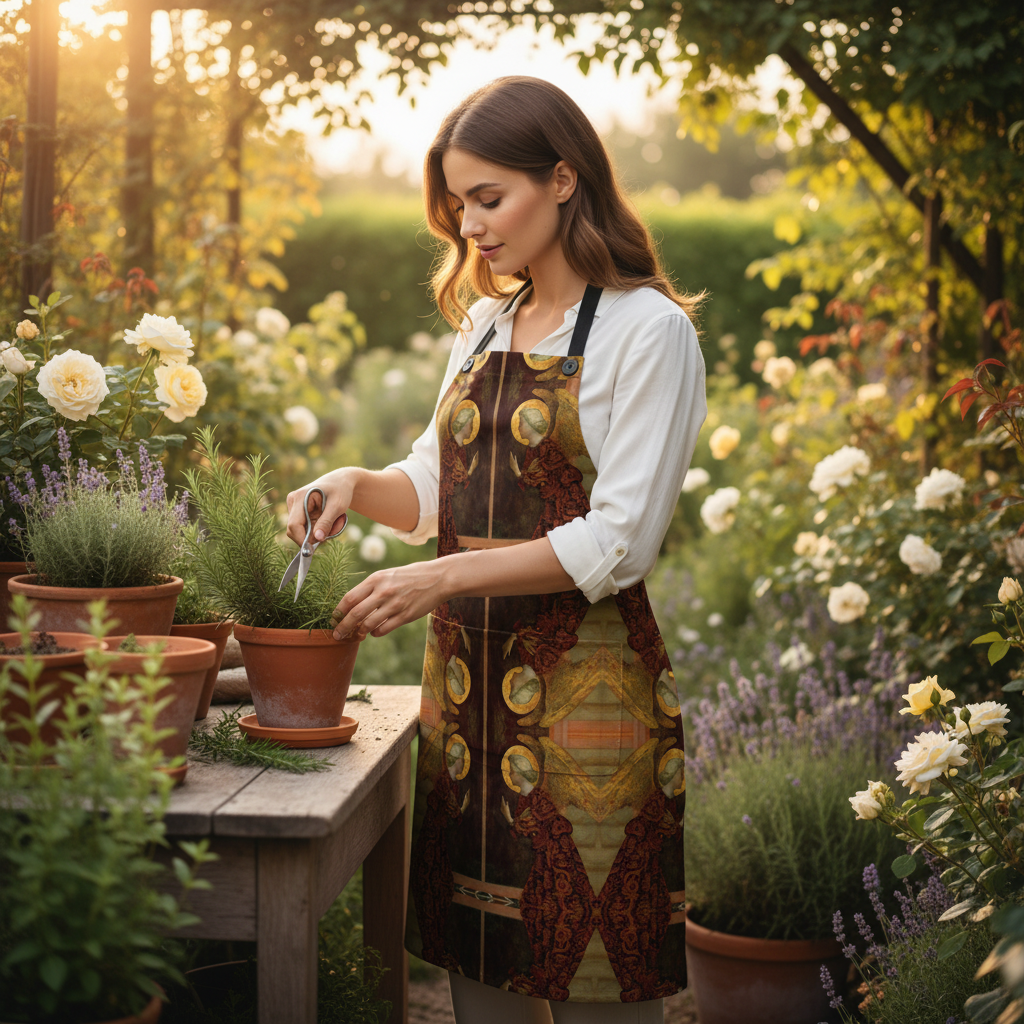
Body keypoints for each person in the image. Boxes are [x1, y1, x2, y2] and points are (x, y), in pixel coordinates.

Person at [287, 75, 706, 1024]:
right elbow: (432, 486)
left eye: (489, 198)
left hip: (593, 721)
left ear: (563, 179)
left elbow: (620, 541)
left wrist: (440, 577)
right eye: (458, 204)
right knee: (483, 996)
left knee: (604, 992)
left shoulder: (651, 331)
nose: (471, 227)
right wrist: (354, 484)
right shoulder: (483, 325)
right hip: (468, 715)